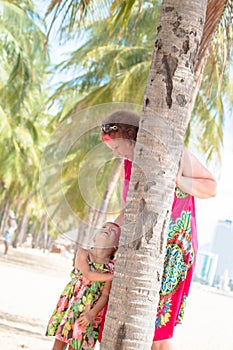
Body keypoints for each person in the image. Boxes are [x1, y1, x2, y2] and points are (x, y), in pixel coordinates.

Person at [100, 110, 217, 350]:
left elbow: (211, 187)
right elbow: (129, 209)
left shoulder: (174, 152)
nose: (116, 154)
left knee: (158, 329)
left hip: (176, 249)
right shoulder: (129, 165)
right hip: (144, 249)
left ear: (131, 136)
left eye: (117, 147)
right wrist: (110, 229)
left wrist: (178, 180)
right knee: (143, 324)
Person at [46, 221, 120, 350]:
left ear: (115, 246)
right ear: (94, 237)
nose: (107, 229)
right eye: (104, 227)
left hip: (90, 310)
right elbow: (88, 274)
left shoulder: (111, 267)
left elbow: (105, 294)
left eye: (113, 230)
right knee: (59, 343)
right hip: (71, 304)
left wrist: (92, 313)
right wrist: (114, 277)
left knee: (77, 345)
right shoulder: (83, 253)